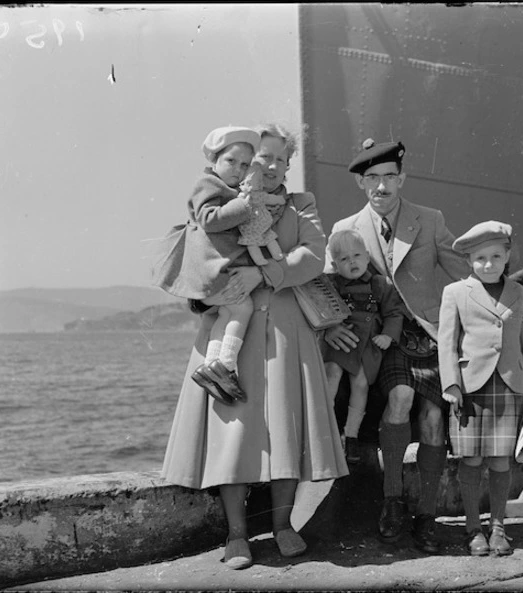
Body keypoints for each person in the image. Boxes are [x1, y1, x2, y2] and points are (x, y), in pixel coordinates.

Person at [161, 123, 349, 570]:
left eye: (279, 159)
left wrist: (263, 274)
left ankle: (283, 526)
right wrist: (209, 291)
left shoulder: (301, 204)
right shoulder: (224, 197)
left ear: (288, 165)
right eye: (261, 156)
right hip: (230, 332)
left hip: (287, 331)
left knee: (285, 430)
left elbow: (313, 255)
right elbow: (194, 252)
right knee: (233, 432)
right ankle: (237, 535)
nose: (268, 165)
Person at [323, 138, 472, 554]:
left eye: (390, 177)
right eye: (372, 178)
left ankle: (427, 513)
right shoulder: (343, 231)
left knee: (432, 419)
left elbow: (465, 274)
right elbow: (324, 288)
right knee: (401, 399)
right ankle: (392, 502)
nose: (382, 187)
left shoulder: (430, 219)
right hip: (378, 339)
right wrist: (331, 326)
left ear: (402, 178)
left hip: (428, 334)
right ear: (361, 183)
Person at [152, 126, 286, 405]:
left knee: (225, 317)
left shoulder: (233, 189)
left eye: (245, 165)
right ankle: (226, 365)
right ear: (213, 160)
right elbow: (209, 219)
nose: (238, 170)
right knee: (242, 308)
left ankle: (211, 367)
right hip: (212, 268)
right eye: (230, 161)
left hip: (219, 268)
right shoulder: (209, 184)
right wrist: (244, 206)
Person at [439, 220, 523, 557]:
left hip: (509, 387)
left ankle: (498, 527)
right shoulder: (454, 293)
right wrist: (451, 384)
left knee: (500, 461)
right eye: (480, 258)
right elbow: (447, 342)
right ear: (469, 261)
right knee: (472, 459)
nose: (488, 264)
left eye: (496, 256)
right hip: (470, 389)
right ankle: (473, 528)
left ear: (508, 256)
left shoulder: (520, 293)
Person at [323, 229, 406, 463]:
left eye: (357, 256)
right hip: (340, 340)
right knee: (330, 375)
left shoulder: (380, 284)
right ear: (334, 264)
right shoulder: (331, 284)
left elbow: (394, 313)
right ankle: (325, 429)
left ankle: (351, 435)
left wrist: (388, 336)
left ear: (367, 257)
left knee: (360, 384)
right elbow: (318, 306)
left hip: (367, 344)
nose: (352, 262)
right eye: (344, 259)